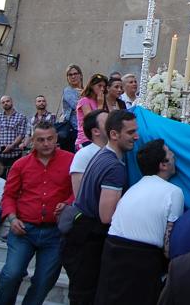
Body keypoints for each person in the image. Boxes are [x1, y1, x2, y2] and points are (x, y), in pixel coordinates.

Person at [62, 109, 138, 305]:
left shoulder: (103, 155)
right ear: (114, 134)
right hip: (89, 239)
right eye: (130, 132)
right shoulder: (114, 167)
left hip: (81, 235)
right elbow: (106, 216)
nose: (136, 137)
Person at [95, 139, 183, 304]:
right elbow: (168, 242)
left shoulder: (133, 189)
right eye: (170, 154)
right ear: (163, 164)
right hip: (141, 258)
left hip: (112, 250)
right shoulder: (174, 192)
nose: (174, 156)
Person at [0, 121, 73, 305]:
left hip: (54, 233)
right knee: (11, 274)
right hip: (24, 230)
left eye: (50, 139)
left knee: (44, 281)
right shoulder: (20, 164)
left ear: (56, 139)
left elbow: (77, 191)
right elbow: (9, 195)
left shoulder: (71, 160)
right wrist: (12, 218)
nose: (46, 144)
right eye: (40, 140)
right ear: (32, 140)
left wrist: (67, 203)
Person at [70, 109, 108, 197]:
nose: (114, 125)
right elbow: (80, 194)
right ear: (95, 131)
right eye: (108, 123)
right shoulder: (83, 155)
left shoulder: (118, 150)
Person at [0, 95, 29, 176]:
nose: (5, 103)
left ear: (12, 102)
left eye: (7, 101)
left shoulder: (21, 117)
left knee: (14, 176)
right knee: (0, 176)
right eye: (3, 102)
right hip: (1, 153)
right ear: (1, 105)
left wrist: (11, 146)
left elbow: (21, 134)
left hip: (15, 153)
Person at [75, 73, 108, 149]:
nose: (102, 89)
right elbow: (92, 122)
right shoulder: (84, 101)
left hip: (98, 139)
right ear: (92, 86)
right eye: (99, 86)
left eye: (104, 86)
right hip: (85, 140)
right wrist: (100, 105)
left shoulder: (100, 100)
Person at [63, 64, 84, 143]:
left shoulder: (85, 90)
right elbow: (78, 106)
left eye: (75, 74)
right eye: (70, 75)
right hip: (73, 129)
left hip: (84, 129)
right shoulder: (68, 91)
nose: (73, 77)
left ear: (81, 75)